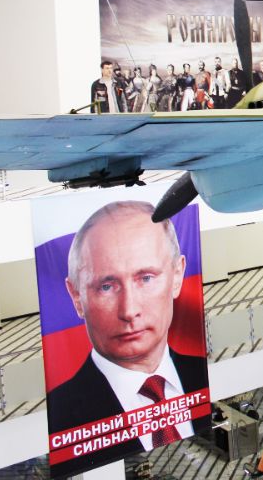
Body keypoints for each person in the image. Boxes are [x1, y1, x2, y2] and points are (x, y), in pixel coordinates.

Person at [47, 201, 209, 477]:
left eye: (145, 278)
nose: (129, 310)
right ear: (76, 297)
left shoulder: (198, 373)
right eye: (106, 286)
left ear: (177, 275)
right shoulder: (63, 414)